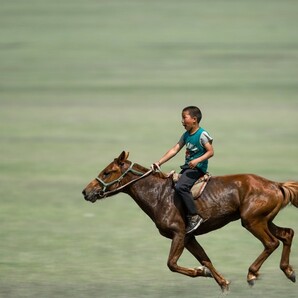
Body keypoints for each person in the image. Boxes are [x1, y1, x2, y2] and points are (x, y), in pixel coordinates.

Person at [151, 106, 214, 234]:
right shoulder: (186, 135)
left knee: (181, 187)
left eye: (184, 118)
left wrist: (197, 161)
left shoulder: (202, 134)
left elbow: (210, 152)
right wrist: (159, 162)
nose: (182, 121)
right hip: (187, 168)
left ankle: (194, 216)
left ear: (194, 119)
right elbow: (175, 149)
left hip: (197, 169)